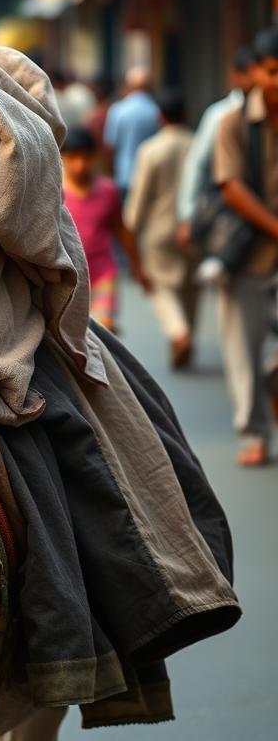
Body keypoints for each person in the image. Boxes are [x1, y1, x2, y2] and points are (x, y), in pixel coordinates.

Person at [213, 26, 278, 467]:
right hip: (246, 255)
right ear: (255, 72)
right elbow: (231, 187)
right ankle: (253, 433)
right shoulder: (233, 123)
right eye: (273, 71)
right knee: (243, 352)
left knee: (269, 363)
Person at [124, 91, 198, 367]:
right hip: (193, 229)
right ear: (186, 114)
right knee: (190, 287)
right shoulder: (198, 144)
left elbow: (138, 199)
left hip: (158, 229)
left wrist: (131, 233)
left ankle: (179, 333)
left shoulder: (151, 150)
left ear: (160, 117)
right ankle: (185, 332)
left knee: (159, 286)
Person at [61, 127, 147, 331]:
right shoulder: (56, 192)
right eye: (73, 157)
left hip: (102, 272)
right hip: (67, 276)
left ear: (94, 157)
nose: (80, 165)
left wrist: (137, 266)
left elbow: (121, 230)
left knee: (102, 328)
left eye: (85, 157)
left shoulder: (108, 191)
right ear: (63, 157)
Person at [175, 46, 257, 248]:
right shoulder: (220, 115)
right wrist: (187, 214)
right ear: (237, 76)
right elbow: (197, 163)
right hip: (225, 214)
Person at [104, 66, 160, 203]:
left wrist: (113, 172)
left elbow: (110, 146)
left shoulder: (118, 110)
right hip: (151, 177)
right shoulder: (156, 111)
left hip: (124, 175)